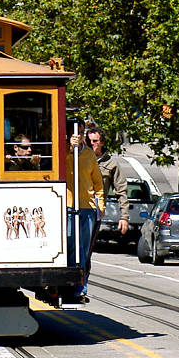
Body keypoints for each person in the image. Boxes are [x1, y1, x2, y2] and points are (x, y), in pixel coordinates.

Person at [65, 118, 105, 302]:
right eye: (75, 132)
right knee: (70, 243)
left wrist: (101, 204)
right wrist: (67, 147)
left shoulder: (89, 155)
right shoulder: (62, 151)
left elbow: (98, 182)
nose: (78, 136)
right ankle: (67, 283)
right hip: (66, 206)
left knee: (83, 249)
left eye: (81, 132)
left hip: (87, 207)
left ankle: (81, 286)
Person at [86, 127, 130, 236]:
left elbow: (121, 191)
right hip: (79, 208)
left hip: (96, 211)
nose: (92, 144)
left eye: (95, 141)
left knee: (88, 246)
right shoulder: (79, 160)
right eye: (88, 141)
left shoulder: (111, 164)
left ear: (102, 143)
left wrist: (124, 217)